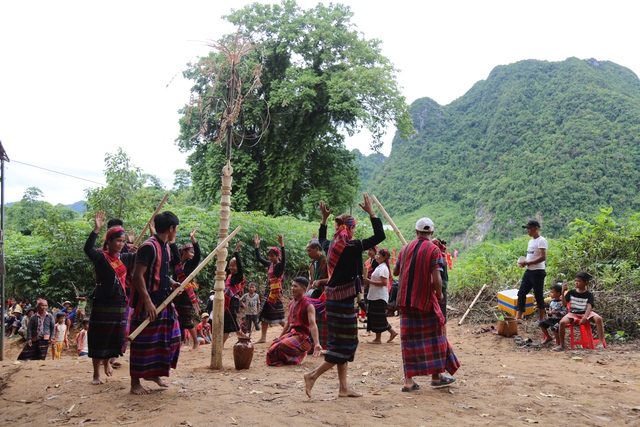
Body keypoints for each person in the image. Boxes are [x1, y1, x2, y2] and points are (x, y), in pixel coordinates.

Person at [304, 193, 385, 398]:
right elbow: (379, 237)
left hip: (333, 299)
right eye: (354, 228)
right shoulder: (350, 246)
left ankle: (343, 387)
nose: (355, 231)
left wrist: (323, 220)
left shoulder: (332, 245)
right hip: (343, 301)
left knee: (340, 343)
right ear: (349, 228)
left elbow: (322, 238)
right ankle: (313, 375)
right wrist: (372, 213)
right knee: (346, 344)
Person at [394, 218, 460, 391]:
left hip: (405, 301)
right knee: (436, 336)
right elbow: (437, 278)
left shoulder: (404, 248)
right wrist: (438, 295)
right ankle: (436, 377)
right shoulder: (433, 250)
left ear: (416, 232)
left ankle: (408, 382)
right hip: (425, 300)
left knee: (408, 340)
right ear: (431, 233)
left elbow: (395, 271)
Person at [129, 211, 182, 395]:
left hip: (164, 301)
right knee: (142, 343)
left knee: (171, 338)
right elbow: (137, 276)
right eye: (176, 228)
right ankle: (135, 382)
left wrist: (171, 282)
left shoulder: (165, 247)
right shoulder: (148, 246)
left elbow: (160, 273)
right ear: (170, 228)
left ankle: (154, 373)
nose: (176, 232)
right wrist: (147, 301)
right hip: (147, 304)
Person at [84, 210, 137, 385]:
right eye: (118, 241)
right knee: (99, 337)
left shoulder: (125, 258)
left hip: (119, 303)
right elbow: (87, 249)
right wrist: (96, 229)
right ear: (109, 241)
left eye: (123, 241)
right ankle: (96, 374)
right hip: (102, 303)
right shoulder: (100, 256)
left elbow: (143, 257)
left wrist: (154, 237)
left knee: (114, 337)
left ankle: (108, 363)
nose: (121, 244)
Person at [267, 277, 322, 366]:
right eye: (292, 286)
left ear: (304, 289)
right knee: (272, 348)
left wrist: (317, 344)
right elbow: (288, 323)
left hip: (303, 338)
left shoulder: (309, 305)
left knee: (284, 345)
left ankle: (301, 354)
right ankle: (290, 358)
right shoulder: (291, 303)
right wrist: (280, 336)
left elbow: (313, 325)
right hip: (292, 334)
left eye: (295, 286)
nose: (292, 288)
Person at [554, 272, 606, 351]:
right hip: (573, 313)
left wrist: (585, 317)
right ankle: (562, 345)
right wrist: (563, 292)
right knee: (562, 322)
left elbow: (589, 306)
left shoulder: (589, 294)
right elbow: (565, 304)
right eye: (575, 281)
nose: (576, 283)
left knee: (599, 318)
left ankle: (601, 343)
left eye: (579, 281)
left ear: (585, 283)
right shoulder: (571, 292)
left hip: (585, 312)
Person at [170, 228, 202, 350]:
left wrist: (193, 239)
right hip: (176, 292)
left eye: (193, 252)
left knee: (186, 319)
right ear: (183, 253)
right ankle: (179, 341)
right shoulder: (176, 263)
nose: (192, 254)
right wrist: (172, 243)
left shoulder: (190, 264)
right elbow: (175, 256)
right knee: (176, 317)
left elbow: (198, 256)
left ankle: (195, 342)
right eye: (190, 252)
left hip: (187, 294)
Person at [254, 233, 286, 343]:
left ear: (278, 256)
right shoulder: (270, 264)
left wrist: (282, 244)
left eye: (273, 256)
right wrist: (256, 246)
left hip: (276, 293)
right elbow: (259, 258)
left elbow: (284, 260)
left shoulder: (279, 266)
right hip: (268, 292)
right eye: (269, 256)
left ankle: (288, 332)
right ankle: (263, 337)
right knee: (264, 315)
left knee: (279, 315)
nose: (270, 258)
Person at [363, 248, 398, 344]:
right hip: (375, 295)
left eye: (379, 255)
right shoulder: (379, 267)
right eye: (377, 254)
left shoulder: (383, 268)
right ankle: (383, 336)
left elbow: (384, 283)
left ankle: (386, 334)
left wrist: (369, 281)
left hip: (379, 296)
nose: (377, 256)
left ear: (384, 257)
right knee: (377, 317)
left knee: (379, 317)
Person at [516, 220, 548, 323]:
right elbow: (530, 256)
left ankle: (541, 319)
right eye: (527, 229)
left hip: (538, 272)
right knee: (521, 293)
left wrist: (528, 262)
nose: (528, 231)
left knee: (538, 295)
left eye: (530, 229)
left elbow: (543, 257)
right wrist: (523, 263)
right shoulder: (530, 241)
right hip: (529, 271)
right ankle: (519, 317)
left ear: (536, 228)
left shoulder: (541, 240)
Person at [305, 239, 328, 353]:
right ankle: (311, 345)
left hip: (325, 296)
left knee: (321, 322)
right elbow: (310, 282)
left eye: (309, 250)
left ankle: (322, 346)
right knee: (311, 320)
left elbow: (332, 279)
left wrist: (320, 282)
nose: (308, 253)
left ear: (317, 249)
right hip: (314, 296)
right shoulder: (312, 265)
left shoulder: (327, 261)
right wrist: (305, 296)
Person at [223, 241, 246, 345]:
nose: (231, 267)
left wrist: (236, 251)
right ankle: (239, 333)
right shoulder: (229, 275)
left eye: (234, 266)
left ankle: (239, 333)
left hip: (233, 301)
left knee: (230, 319)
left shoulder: (238, 276)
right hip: (226, 301)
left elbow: (240, 267)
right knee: (228, 322)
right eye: (230, 265)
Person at [432, 238, 450, 332]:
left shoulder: (439, 260)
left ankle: (443, 340)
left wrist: (438, 293)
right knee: (441, 317)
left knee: (440, 318)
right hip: (441, 289)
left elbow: (437, 279)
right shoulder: (441, 258)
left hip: (439, 290)